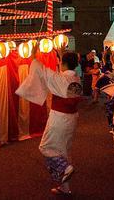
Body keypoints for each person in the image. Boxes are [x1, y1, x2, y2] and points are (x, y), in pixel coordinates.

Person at [15, 52, 83, 196]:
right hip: (72, 118)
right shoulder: (76, 78)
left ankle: (65, 168)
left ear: (62, 63)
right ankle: (65, 188)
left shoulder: (61, 78)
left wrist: (33, 56)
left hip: (59, 118)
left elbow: (42, 71)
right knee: (63, 150)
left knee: (46, 147)